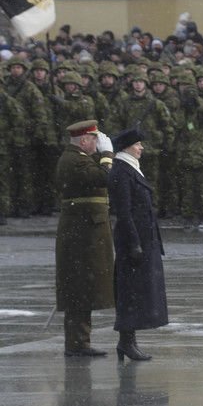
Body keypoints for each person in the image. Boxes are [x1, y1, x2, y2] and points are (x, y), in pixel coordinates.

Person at [55, 120, 116, 357]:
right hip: (80, 233)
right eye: (94, 139)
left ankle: (80, 342)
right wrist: (108, 155)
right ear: (84, 140)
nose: (96, 144)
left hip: (84, 231)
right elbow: (104, 178)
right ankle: (77, 343)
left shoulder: (77, 158)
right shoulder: (75, 160)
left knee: (82, 289)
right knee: (78, 288)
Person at [107, 128, 168, 361]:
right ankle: (125, 342)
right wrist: (133, 243)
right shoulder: (121, 172)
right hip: (132, 240)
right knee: (129, 292)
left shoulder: (131, 169)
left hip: (143, 238)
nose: (141, 148)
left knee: (136, 292)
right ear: (126, 147)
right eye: (138, 144)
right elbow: (124, 213)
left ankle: (128, 342)